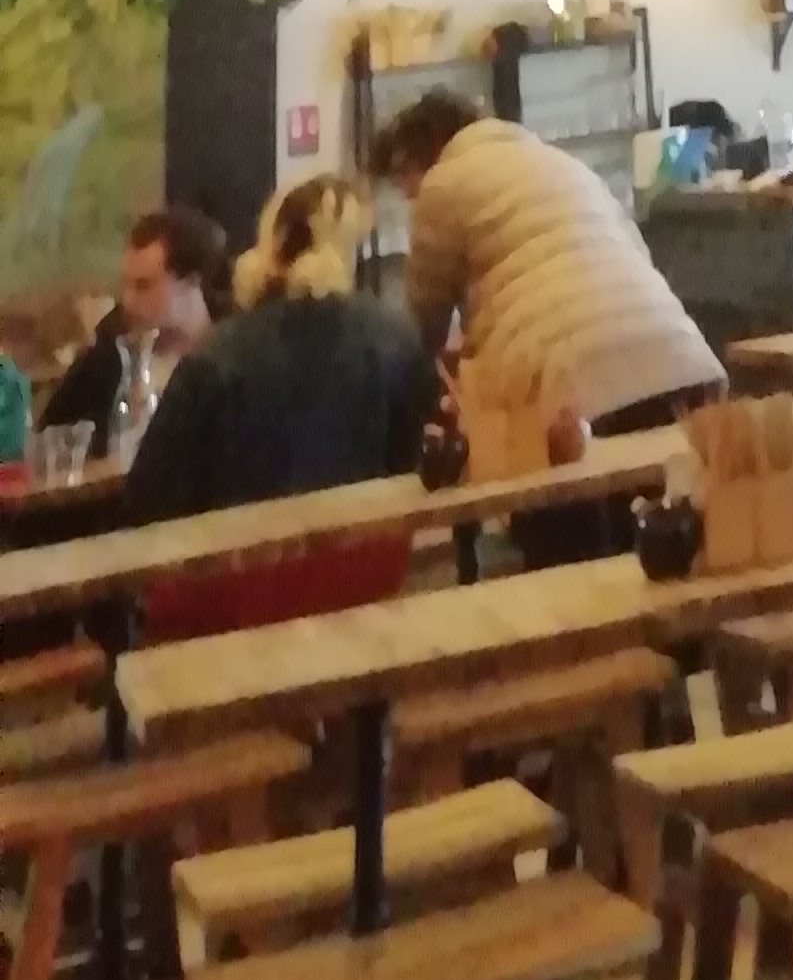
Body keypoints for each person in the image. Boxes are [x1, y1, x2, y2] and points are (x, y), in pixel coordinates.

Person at [374, 84, 724, 554]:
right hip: (678, 360)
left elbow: (423, 327)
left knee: (571, 561)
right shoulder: (564, 164)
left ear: (420, 158)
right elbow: (637, 255)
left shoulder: (443, 185)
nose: (408, 198)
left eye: (404, 184)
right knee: (679, 554)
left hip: (568, 394)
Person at [125, 176, 438, 634]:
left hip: (231, 601)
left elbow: (147, 496)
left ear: (269, 243)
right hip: (358, 588)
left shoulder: (217, 356)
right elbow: (410, 466)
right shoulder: (396, 340)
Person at [41, 204, 231, 445]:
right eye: (126, 285)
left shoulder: (234, 360)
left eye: (143, 286)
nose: (128, 301)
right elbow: (46, 443)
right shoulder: (103, 363)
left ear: (192, 281)